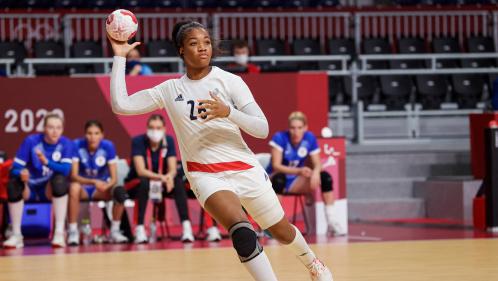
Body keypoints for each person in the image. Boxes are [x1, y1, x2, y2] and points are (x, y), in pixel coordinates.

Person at [108, 20, 333, 280]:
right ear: (181, 50)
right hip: (205, 175)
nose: (203, 48)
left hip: (245, 169)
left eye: (206, 42)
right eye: (194, 43)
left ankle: (313, 263)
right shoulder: (170, 89)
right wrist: (120, 57)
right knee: (242, 231)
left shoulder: (230, 81)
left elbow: (262, 129)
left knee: (280, 231)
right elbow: (121, 104)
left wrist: (229, 112)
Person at [267, 111, 345, 236]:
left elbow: (317, 163)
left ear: (305, 128)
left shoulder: (309, 138)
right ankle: (274, 226)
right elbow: (276, 166)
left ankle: (332, 221)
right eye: (292, 128)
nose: (296, 131)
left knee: (325, 177)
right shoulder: (280, 137)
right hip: (275, 177)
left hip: (296, 181)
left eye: (299, 128)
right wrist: (299, 170)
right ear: (289, 128)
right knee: (279, 180)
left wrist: (315, 172)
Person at [3, 113, 72, 248]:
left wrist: (46, 162)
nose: (54, 131)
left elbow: (65, 170)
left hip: (47, 189)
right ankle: (16, 235)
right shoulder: (31, 141)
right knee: (13, 184)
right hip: (29, 187)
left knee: (60, 181)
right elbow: (14, 169)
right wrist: (21, 173)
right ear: (44, 128)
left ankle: (58, 233)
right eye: (51, 127)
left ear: (62, 129)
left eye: (58, 128)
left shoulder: (66, 143)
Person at [124, 114, 194, 244]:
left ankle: (186, 228)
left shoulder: (169, 140)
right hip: (138, 183)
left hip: (161, 184)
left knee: (178, 182)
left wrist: (169, 177)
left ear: (164, 129)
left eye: (158, 128)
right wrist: (163, 177)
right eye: (151, 127)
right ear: (147, 128)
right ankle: (140, 229)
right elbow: (141, 171)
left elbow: (173, 168)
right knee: (144, 183)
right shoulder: (138, 141)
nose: (154, 131)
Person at [68, 120, 129, 245]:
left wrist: (106, 185)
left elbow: (114, 178)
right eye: (89, 133)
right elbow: (74, 176)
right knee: (73, 187)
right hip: (83, 187)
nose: (93, 137)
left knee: (120, 191)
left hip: (100, 189)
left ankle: (115, 231)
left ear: (102, 135)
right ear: (85, 135)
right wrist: (93, 181)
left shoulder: (108, 146)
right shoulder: (76, 145)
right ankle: (73, 231)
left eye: (96, 133)